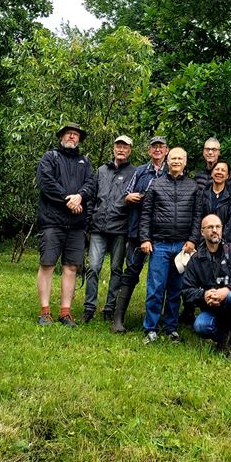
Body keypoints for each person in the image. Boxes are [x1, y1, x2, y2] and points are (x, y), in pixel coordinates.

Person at [35, 123, 95, 327]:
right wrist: (68, 200)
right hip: (52, 222)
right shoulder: (49, 157)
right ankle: (44, 312)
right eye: (69, 134)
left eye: (76, 135)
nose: (72, 137)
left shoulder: (84, 161)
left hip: (77, 225)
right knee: (47, 264)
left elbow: (91, 185)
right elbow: (46, 183)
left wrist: (80, 196)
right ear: (61, 136)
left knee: (71, 267)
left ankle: (65, 312)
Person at [139, 146, 202, 343]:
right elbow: (146, 214)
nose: (176, 161)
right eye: (173, 158)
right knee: (156, 288)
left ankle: (171, 328)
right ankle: (150, 328)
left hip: (183, 247)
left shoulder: (193, 186)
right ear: (167, 160)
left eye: (179, 158)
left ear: (185, 162)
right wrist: (145, 239)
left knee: (176, 289)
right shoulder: (156, 185)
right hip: (160, 245)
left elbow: (197, 216)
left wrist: (192, 240)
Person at [110, 135, 168, 333]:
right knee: (131, 272)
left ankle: (160, 319)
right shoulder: (141, 171)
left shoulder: (172, 171)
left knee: (163, 276)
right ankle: (118, 319)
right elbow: (126, 194)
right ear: (149, 151)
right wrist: (129, 197)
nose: (157, 150)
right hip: (137, 231)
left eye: (161, 147)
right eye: (154, 147)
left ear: (166, 150)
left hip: (163, 232)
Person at [182, 214, 231, 357]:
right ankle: (223, 337)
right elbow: (186, 291)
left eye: (218, 227)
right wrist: (204, 295)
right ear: (202, 232)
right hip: (213, 310)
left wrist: (227, 290)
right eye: (210, 227)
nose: (214, 230)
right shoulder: (195, 260)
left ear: (222, 229)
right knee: (200, 325)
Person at [82, 136, 135, 322]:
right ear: (113, 148)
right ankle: (89, 307)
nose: (121, 149)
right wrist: (87, 223)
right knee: (93, 267)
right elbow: (91, 199)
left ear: (130, 150)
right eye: (118, 146)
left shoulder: (134, 173)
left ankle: (110, 308)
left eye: (125, 147)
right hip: (98, 227)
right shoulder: (101, 170)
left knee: (116, 269)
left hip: (120, 228)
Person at [199, 160, 231, 243]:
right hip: (205, 242)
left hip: (226, 243)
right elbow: (198, 217)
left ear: (227, 176)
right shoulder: (203, 194)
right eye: (217, 169)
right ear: (211, 173)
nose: (219, 172)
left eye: (223, 170)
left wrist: (220, 240)